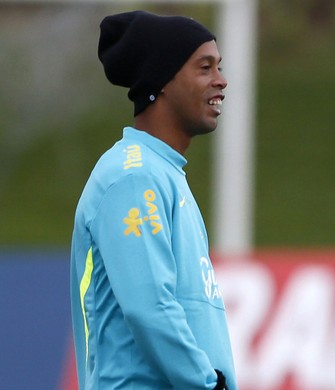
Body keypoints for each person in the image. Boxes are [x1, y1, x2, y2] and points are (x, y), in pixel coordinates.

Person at [69, 10, 236, 389]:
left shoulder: (162, 173)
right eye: (204, 67)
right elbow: (150, 309)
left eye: (219, 67)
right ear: (162, 81)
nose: (221, 81)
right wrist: (208, 384)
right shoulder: (134, 176)